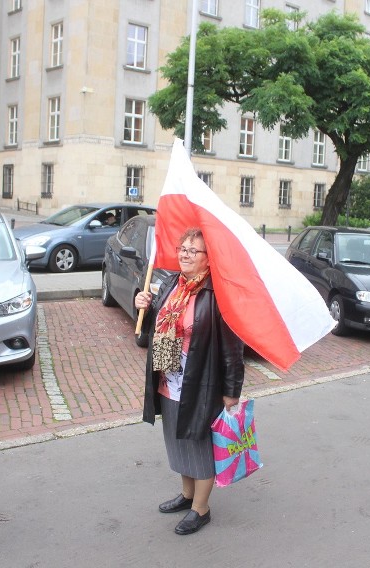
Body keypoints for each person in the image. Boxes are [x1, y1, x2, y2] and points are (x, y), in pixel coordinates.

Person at [134, 228, 245, 536]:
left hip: (202, 384)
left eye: (192, 251)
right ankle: (186, 495)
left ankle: (201, 508)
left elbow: (233, 349)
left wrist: (231, 391)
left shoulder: (218, 295)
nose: (183, 254)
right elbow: (153, 330)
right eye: (182, 248)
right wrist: (144, 306)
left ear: (209, 260)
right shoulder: (171, 284)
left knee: (198, 445)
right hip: (169, 379)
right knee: (178, 439)